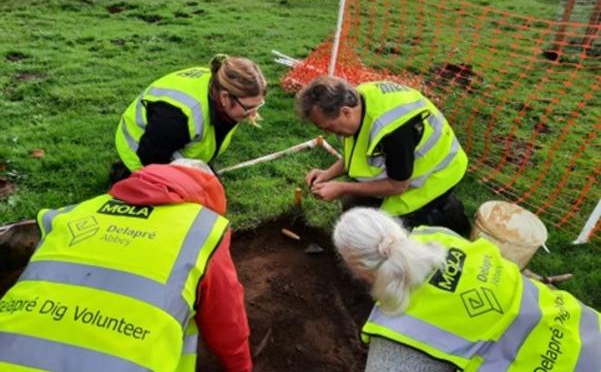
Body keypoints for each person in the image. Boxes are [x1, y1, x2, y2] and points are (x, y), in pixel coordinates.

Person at [0, 159, 252, 372]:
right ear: (212, 194)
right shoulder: (201, 229)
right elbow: (226, 321)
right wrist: (241, 367)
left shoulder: (73, 213)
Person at [332, 207, 601, 372]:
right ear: (397, 228)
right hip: (587, 330)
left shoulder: (399, 335)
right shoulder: (438, 235)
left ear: (358, 270)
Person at [296, 76, 470, 236]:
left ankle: (445, 216)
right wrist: (327, 174)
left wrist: (342, 188)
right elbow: (357, 151)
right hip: (406, 167)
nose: (328, 132)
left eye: (329, 127)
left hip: (437, 175)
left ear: (345, 112)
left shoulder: (393, 131)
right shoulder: (358, 101)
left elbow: (398, 186)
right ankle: (438, 209)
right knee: (354, 209)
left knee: (386, 235)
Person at [112, 54, 267, 183]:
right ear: (225, 97)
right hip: (142, 153)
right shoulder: (178, 116)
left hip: (170, 143)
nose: (252, 113)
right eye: (248, 107)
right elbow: (151, 157)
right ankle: (125, 175)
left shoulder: (221, 88)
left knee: (211, 195)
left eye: (257, 105)